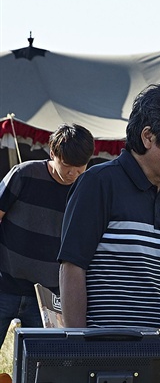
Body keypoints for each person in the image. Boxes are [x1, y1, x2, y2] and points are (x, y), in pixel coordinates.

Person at [58, 80, 160, 328]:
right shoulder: (98, 183)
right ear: (148, 136)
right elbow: (72, 268)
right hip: (106, 356)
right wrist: (79, 348)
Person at [0, 123, 94, 346]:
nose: (73, 174)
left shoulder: (86, 191)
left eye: (80, 168)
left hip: (48, 297)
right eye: (67, 166)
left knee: (41, 364)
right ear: (53, 153)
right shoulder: (24, 174)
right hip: (4, 285)